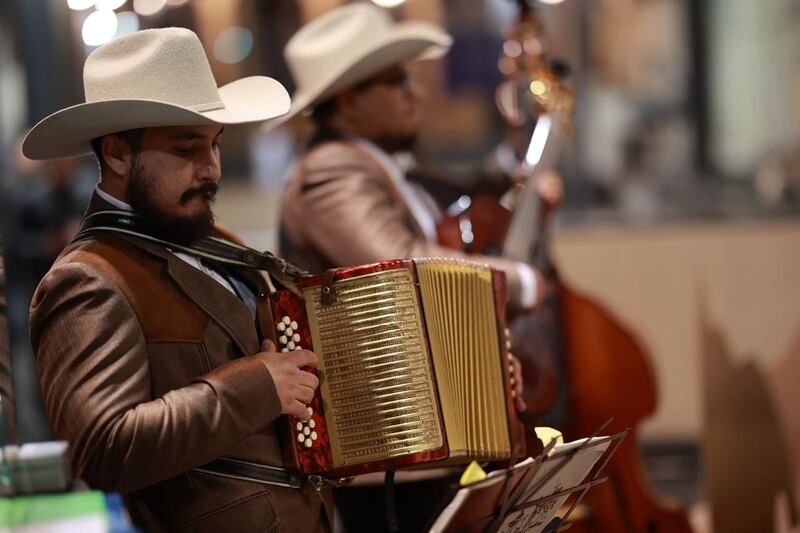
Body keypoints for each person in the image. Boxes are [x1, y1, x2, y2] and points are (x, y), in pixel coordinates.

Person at [24, 28, 329, 532]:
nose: (210, 170)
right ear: (119, 154)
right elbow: (103, 450)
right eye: (187, 150)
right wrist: (257, 385)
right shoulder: (85, 280)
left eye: (214, 145)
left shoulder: (215, 240)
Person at [272, 5, 562, 531]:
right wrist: (521, 281)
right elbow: (406, 265)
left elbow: (456, 200)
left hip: (426, 439)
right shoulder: (329, 171)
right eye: (397, 80)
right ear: (349, 99)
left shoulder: (379, 165)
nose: (417, 93)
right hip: (385, 447)